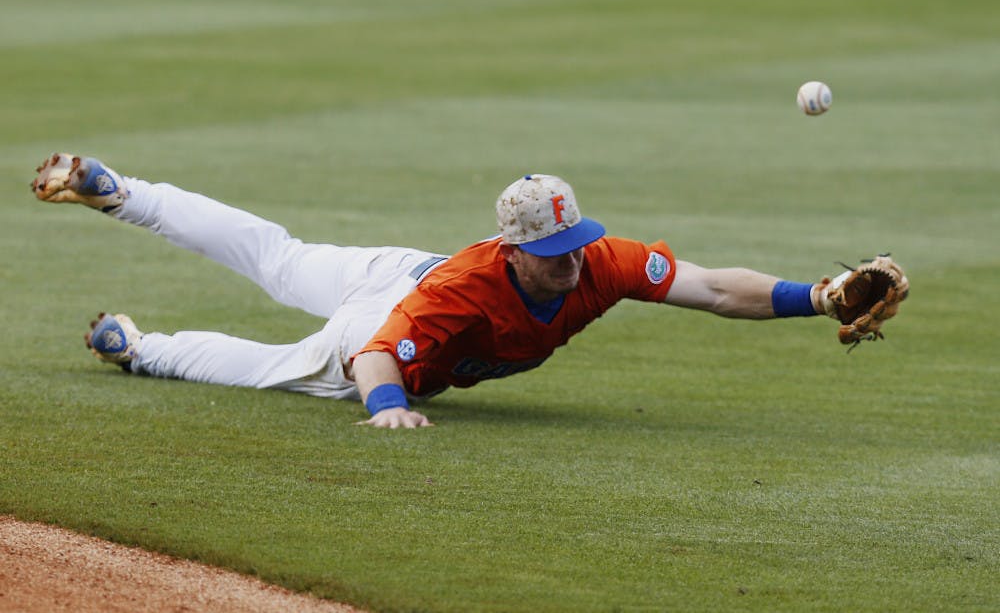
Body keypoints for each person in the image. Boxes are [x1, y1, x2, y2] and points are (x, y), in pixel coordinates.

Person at [31, 152, 859, 429]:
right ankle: (143, 347)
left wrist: (815, 296)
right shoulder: (468, 292)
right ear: (516, 248)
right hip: (391, 310)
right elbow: (385, 351)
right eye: (556, 251)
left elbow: (713, 287)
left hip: (402, 264)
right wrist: (386, 405)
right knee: (279, 365)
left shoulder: (599, 257)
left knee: (281, 257)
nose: (575, 262)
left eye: (577, 243)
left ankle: (121, 191)